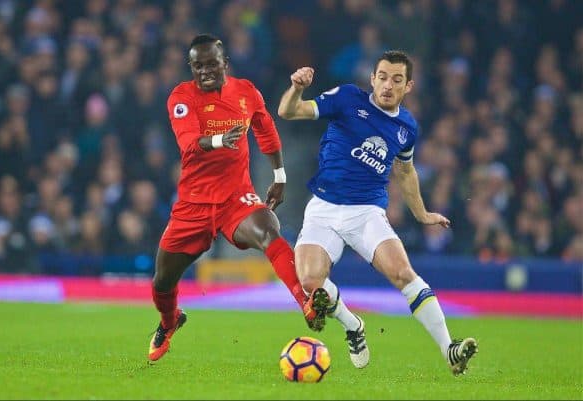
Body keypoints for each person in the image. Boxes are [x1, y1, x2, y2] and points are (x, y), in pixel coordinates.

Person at [277, 50, 478, 375]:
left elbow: (405, 171)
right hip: (324, 208)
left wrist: (423, 213)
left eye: (396, 80)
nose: (387, 85)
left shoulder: (406, 127)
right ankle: (353, 325)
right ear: (372, 78)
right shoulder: (346, 98)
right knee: (311, 282)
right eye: (382, 77)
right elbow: (288, 111)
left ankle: (449, 349)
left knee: (403, 274)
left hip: (366, 212)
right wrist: (297, 88)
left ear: (408, 86)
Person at [148, 34, 320, 362]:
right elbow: (188, 143)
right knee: (162, 281)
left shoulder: (246, 92)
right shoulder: (181, 97)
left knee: (268, 230)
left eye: (211, 64)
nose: (205, 72)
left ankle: (307, 302)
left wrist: (280, 176)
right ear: (191, 68)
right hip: (194, 205)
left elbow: (266, 130)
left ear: (224, 63)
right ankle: (170, 322)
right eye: (197, 66)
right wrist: (219, 141)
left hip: (234, 199)